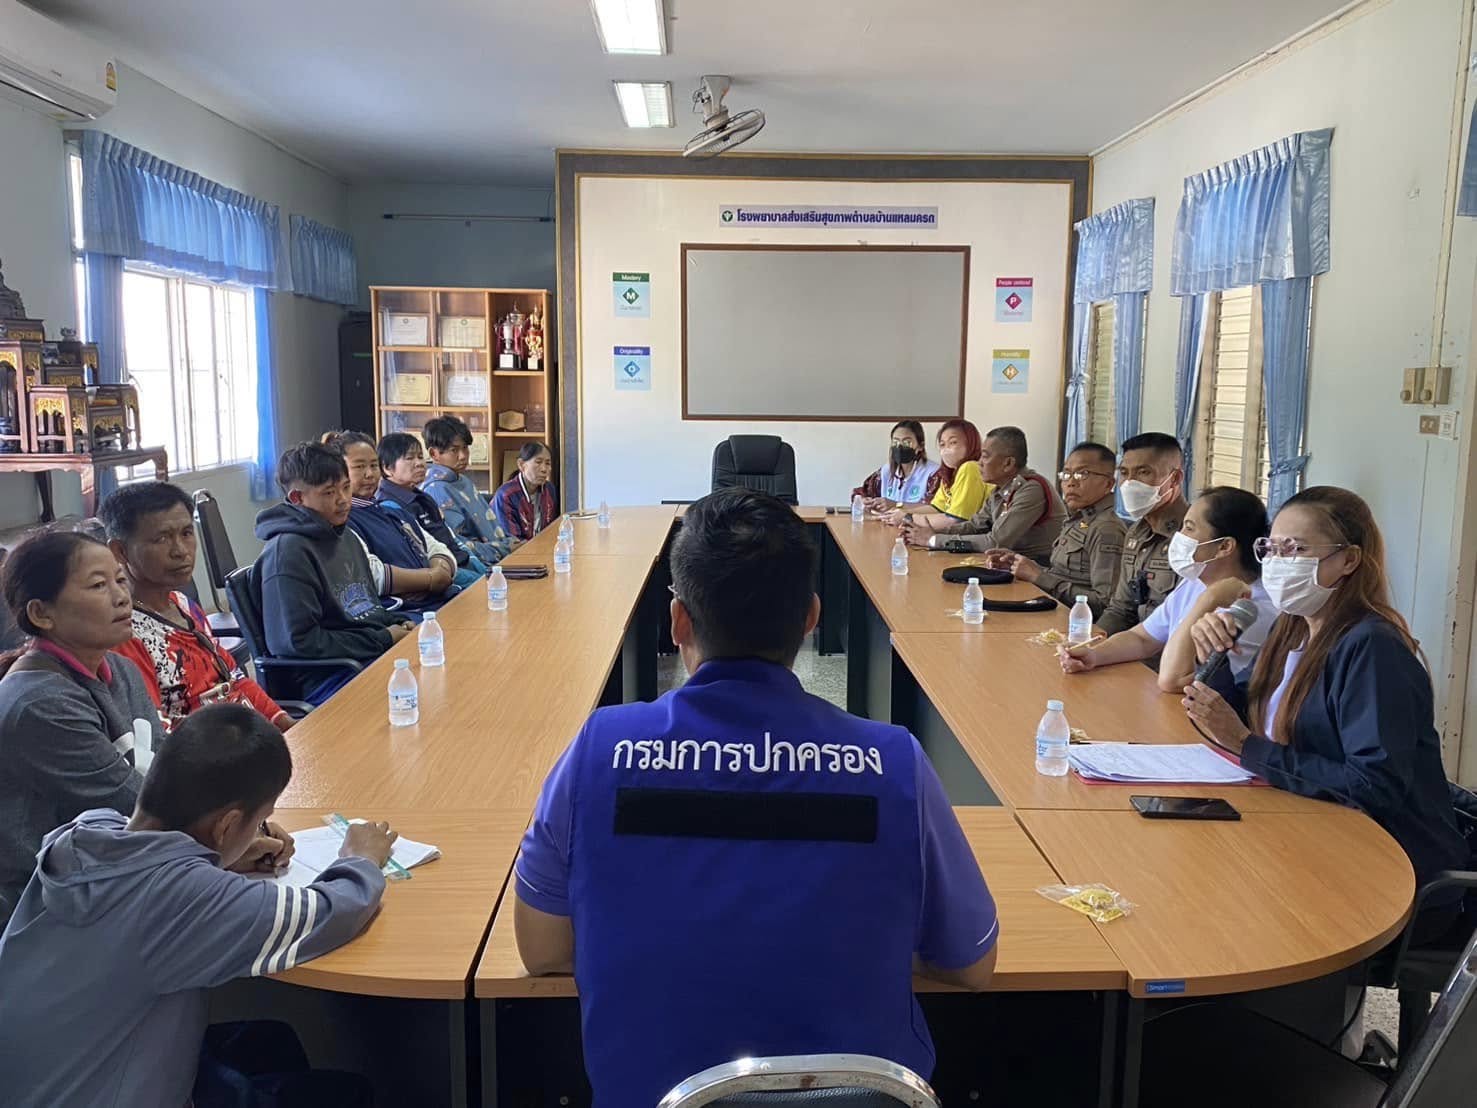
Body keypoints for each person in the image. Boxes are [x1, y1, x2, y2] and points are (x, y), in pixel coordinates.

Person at [514, 487, 999, 1107]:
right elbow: (971, 965)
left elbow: (543, 952)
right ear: (811, 617)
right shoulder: (892, 760)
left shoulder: (599, 748)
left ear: (678, 620)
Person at [0, 703, 395, 1108]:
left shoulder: (85, 833)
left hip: (36, 1080)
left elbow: (151, 877)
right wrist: (361, 858)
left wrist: (217, 859)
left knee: (272, 1040)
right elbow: (329, 913)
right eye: (259, 821)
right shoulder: (181, 899)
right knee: (347, 1093)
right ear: (227, 826)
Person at [1182, 487, 1469, 941]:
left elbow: (1373, 786)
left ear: (1348, 560)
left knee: (1223, 921)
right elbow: (1236, 716)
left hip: (1387, 874)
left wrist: (1246, 745)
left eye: (1295, 549)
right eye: (1271, 548)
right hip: (1307, 835)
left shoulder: (1372, 647)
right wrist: (1210, 654)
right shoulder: (1291, 629)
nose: (1278, 562)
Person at [0, 529, 158, 925]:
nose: (121, 596)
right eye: (98, 585)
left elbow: (167, 768)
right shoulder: (38, 704)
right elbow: (136, 808)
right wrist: (224, 839)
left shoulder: (121, 669)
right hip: (48, 907)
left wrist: (241, 822)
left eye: (120, 579)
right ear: (42, 614)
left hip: (121, 866)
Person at [99, 481, 294, 734]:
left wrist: (282, 721)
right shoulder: (125, 635)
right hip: (207, 752)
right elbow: (157, 733)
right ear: (120, 551)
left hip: (247, 734)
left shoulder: (184, 605)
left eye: (186, 533)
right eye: (161, 538)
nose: (181, 551)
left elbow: (234, 678)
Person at [1061, 487, 1274, 691]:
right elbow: (1143, 638)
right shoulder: (1196, 581)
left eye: (1189, 528)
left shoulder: (1251, 611)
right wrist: (1093, 655)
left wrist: (1208, 600)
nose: (1179, 536)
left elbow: (1174, 681)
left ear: (1224, 546)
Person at [253, 442, 413, 704]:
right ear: (297, 498)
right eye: (329, 492)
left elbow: (366, 607)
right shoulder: (288, 553)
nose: (343, 499)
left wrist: (396, 622)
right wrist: (383, 638)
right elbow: (298, 642)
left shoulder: (345, 535)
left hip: (366, 656)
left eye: (346, 487)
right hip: (329, 677)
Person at [324, 430, 461, 613]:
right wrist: (428, 579)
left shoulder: (391, 508)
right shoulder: (343, 520)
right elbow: (370, 574)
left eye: (374, 465)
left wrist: (439, 571)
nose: (369, 474)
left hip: (437, 600)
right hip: (403, 613)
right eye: (359, 467)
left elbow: (437, 548)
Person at [993, 442, 1124, 618]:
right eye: (1066, 474)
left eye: (1083, 474)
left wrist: (1039, 577)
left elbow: (1105, 605)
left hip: (1076, 623)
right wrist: (1021, 564)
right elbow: (1061, 575)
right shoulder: (1079, 518)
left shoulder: (1106, 529)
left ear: (1108, 484)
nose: (1071, 483)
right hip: (1053, 609)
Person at [906, 426, 1065, 561]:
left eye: (985, 456)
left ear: (1008, 463)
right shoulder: (999, 491)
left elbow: (995, 542)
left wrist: (934, 540)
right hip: (1009, 564)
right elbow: (974, 526)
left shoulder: (1031, 490)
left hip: (1039, 569)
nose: (980, 463)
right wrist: (931, 533)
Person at [1097, 431, 1189, 635]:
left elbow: (1185, 622)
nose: (1129, 483)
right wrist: (1091, 641)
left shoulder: (1193, 536)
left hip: (1170, 648)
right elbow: (1121, 610)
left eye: (1143, 472)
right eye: (1124, 473)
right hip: (1134, 644)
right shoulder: (1135, 534)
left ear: (1175, 478)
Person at [376, 432, 487, 587]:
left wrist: (474, 562)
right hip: (440, 574)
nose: (419, 463)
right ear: (387, 468)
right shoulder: (387, 506)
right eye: (410, 458)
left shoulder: (423, 497)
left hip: (460, 561)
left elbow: (450, 537)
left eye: (420, 457)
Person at [421, 415, 515, 564]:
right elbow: (457, 545)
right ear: (434, 454)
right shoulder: (436, 489)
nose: (463, 456)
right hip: (475, 566)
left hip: (500, 554)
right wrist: (506, 549)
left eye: (465, 448)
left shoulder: (463, 480)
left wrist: (510, 544)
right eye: (454, 450)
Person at [880, 419, 988, 526]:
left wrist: (907, 518)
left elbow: (956, 521)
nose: (946, 449)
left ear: (970, 443)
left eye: (953, 442)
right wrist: (901, 512)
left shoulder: (970, 468)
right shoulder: (950, 474)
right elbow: (936, 508)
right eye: (942, 444)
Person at [850, 419, 942, 511]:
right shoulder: (887, 471)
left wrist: (896, 505)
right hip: (886, 520)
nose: (900, 447)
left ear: (920, 446)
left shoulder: (933, 473)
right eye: (895, 442)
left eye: (907, 443)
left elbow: (935, 507)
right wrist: (863, 500)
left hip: (918, 520)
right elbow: (861, 492)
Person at [494, 441, 559, 544]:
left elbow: (551, 530)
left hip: (542, 548)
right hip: (516, 551)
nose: (544, 469)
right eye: (538, 462)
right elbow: (512, 542)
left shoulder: (549, 490)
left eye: (548, 463)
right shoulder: (506, 495)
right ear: (521, 465)